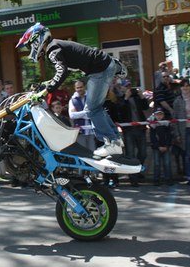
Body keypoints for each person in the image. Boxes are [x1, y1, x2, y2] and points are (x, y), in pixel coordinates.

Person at [16, 23, 126, 158]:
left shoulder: (53, 50)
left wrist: (44, 92)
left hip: (100, 70)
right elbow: (65, 71)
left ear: (37, 40)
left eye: (29, 45)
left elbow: (61, 72)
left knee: (92, 109)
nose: (29, 49)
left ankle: (113, 143)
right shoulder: (56, 45)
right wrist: (47, 84)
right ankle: (115, 140)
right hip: (103, 66)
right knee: (95, 108)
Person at [118, 85, 149, 186]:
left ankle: (138, 170)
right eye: (126, 88)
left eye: (130, 88)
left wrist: (142, 96)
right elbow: (120, 110)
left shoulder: (137, 98)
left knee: (143, 153)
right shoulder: (121, 99)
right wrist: (126, 98)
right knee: (130, 154)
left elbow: (146, 107)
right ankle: (133, 178)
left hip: (140, 128)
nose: (129, 90)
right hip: (129, 130)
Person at [69, 80, 97, 151]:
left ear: (84, 87)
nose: (79, 89)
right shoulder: (72, 100)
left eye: (81, 87)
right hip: (80, 131)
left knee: (93, 152)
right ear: (75, 88)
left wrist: (79, 114)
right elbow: (72, 115)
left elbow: (93, 113)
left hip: (92, 131)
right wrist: (86, 112)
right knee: (83, 153)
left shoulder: (91, 97)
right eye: (77, 88)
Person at [149, 107, 174, 186]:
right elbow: (152, 137)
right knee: (156, 164)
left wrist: (167, 145)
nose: (159, 116)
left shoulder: (167, 124)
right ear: (155, 115)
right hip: (156, 148)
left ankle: (168, 179)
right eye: (157, 114)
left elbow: (169, 136)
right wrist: (157, 146)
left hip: (166, 147)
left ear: (163, 115)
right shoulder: (153, 125)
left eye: (161, 114)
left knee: (167, 163)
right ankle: (156, 179)